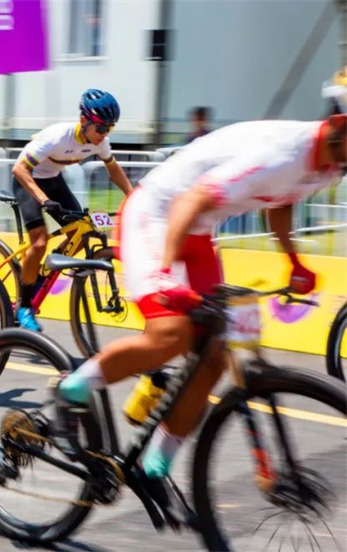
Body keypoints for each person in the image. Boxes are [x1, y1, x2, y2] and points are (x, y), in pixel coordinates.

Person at [52, 114, 346, 486]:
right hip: (158, 215)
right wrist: (164, 272)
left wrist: (293, 261)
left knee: (215, 358)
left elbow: (281, 203)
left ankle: (153, 468)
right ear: (340, 127)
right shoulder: (283, 153)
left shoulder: (330, 162)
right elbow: (191, 199)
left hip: (198, 228)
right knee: (170, 334)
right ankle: (69, 391)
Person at [11, 89, 133, 331]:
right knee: (39, 241)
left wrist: (133, 196)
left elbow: (114, 169)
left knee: (82, 230)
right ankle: (24, 306)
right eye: (100, 128)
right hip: (29, 181)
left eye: (110, 128)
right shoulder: (58, 136)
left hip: (53, 179)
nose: (104, 134)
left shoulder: (101, 142)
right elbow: (19, 169)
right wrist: (43, 200)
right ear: (83, 121)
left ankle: (38, 274)